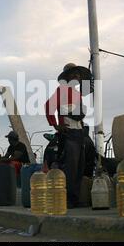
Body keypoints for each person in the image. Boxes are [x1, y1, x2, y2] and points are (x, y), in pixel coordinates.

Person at [45, 63, 91, 209]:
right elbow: (48, 106)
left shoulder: (77, 94)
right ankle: (67, 200)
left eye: (78, 74)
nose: (77, 76)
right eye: (74, 74)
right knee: (70, 168)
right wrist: (55, 125)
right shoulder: (62, 90)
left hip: (79, 133)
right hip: (68, 133)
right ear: (68, 77)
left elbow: (79, 113)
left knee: (79, 166)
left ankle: (75, 198)